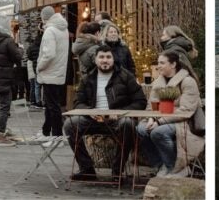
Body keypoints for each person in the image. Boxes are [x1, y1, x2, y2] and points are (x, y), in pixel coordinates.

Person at [64, 45, 147, 182]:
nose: (105, 60)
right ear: (95, 60)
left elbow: (140, 101)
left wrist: (120, 113)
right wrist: (89, 112)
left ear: (113, 59)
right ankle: (87, 169)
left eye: (108, 57)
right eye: (101, 57)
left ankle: (117, 170)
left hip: (117, 120)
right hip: (93, 119)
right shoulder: (87, 78)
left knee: (128, 124)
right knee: (70, 125)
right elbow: (78, 102)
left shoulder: (126, 76)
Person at [137, 50, 204, 178]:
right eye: (158, 63)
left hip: (183, 122)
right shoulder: (158, 82)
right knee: (141, 129)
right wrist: (151, 118)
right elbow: (151, 106)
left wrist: (159, 121)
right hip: (160, 119)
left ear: (173, 64)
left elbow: (186, 110)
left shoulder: (187, 81)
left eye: (162, 63)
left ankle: (176, 167)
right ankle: (160, 165)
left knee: (158, 132)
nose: (158, 66)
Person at [34, 6, 69, 146]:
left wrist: (39, 67)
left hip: (49, 73)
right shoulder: (63, 29)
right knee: (52, 105)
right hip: (59, 72)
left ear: (44, 18)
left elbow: (48, 54)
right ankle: (46, 132)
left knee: (52, 106)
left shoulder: (50, 31)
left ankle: (57, 136)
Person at [0, 26, 24, 146]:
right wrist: (20, 50)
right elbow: (17, 56)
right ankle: (1, 135)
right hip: (4, 78)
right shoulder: (8, 41)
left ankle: (4, 130)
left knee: (3, 105)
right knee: (4, 107)